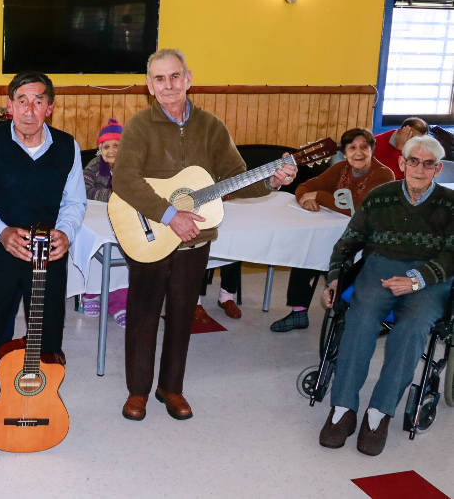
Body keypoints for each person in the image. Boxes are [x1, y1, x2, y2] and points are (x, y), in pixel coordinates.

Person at [111, 49, 297, 422]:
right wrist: (169, 215)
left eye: (174, 76)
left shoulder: (211, 127)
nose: (168, 85)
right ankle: (138, 391)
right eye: (159, 79)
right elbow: (124, 180)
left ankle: (172, 387)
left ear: (188, 79)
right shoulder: (138, 127)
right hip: (148, 231)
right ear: (149, 86)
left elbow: (234, 180)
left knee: (183, 312)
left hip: (196, 237)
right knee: (144, 314)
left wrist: (270, 182)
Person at [0, 70, 86, 433]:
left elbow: (75, 202)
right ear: (10, 107)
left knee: (47, 330)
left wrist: (67, 233)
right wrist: (1, 233)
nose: (30, 109)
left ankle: (34, 394)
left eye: (38, 101)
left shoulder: (67, 146)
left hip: (48, 254)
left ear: (50, 108)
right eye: (22, 101)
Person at [318, 135, 454, 456]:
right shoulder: (380, 197)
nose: (420, 169)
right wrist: (336, 277)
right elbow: (348, 242)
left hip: (430, 276)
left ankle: (379, 413)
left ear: (437, 169)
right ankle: (342, 409)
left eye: (428, 163)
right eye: (414, 161)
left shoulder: (450, 205)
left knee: (412, 329)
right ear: (402, 163)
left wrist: (417, 280)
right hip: (380, 267)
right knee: (361, 318)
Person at [271, 128, 395, 332]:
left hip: (366, 243)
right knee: (304, 252)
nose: (358, 152)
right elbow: (304, 186)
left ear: (372, 150)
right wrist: (305, 200)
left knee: (344, 267)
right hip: (333, 235)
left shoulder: (383, 174)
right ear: (345, 153)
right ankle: (298, 312)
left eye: (364, 147)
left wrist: (319, 196)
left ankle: (347, 317)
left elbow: (359, 207)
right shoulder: (340, 168)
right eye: (352, 147)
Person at [81, 118, 128, 326]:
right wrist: (111, 195)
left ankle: (119, 302)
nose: (111, 150)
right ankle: (91, 294)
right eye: (106, 146)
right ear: (101, 149)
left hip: (122, 221)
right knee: (93, 247)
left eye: (116, 145)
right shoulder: (94, 165)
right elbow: (84, 189)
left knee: (122, 251)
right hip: (95, 219)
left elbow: (136, 191)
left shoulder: (131, 166)